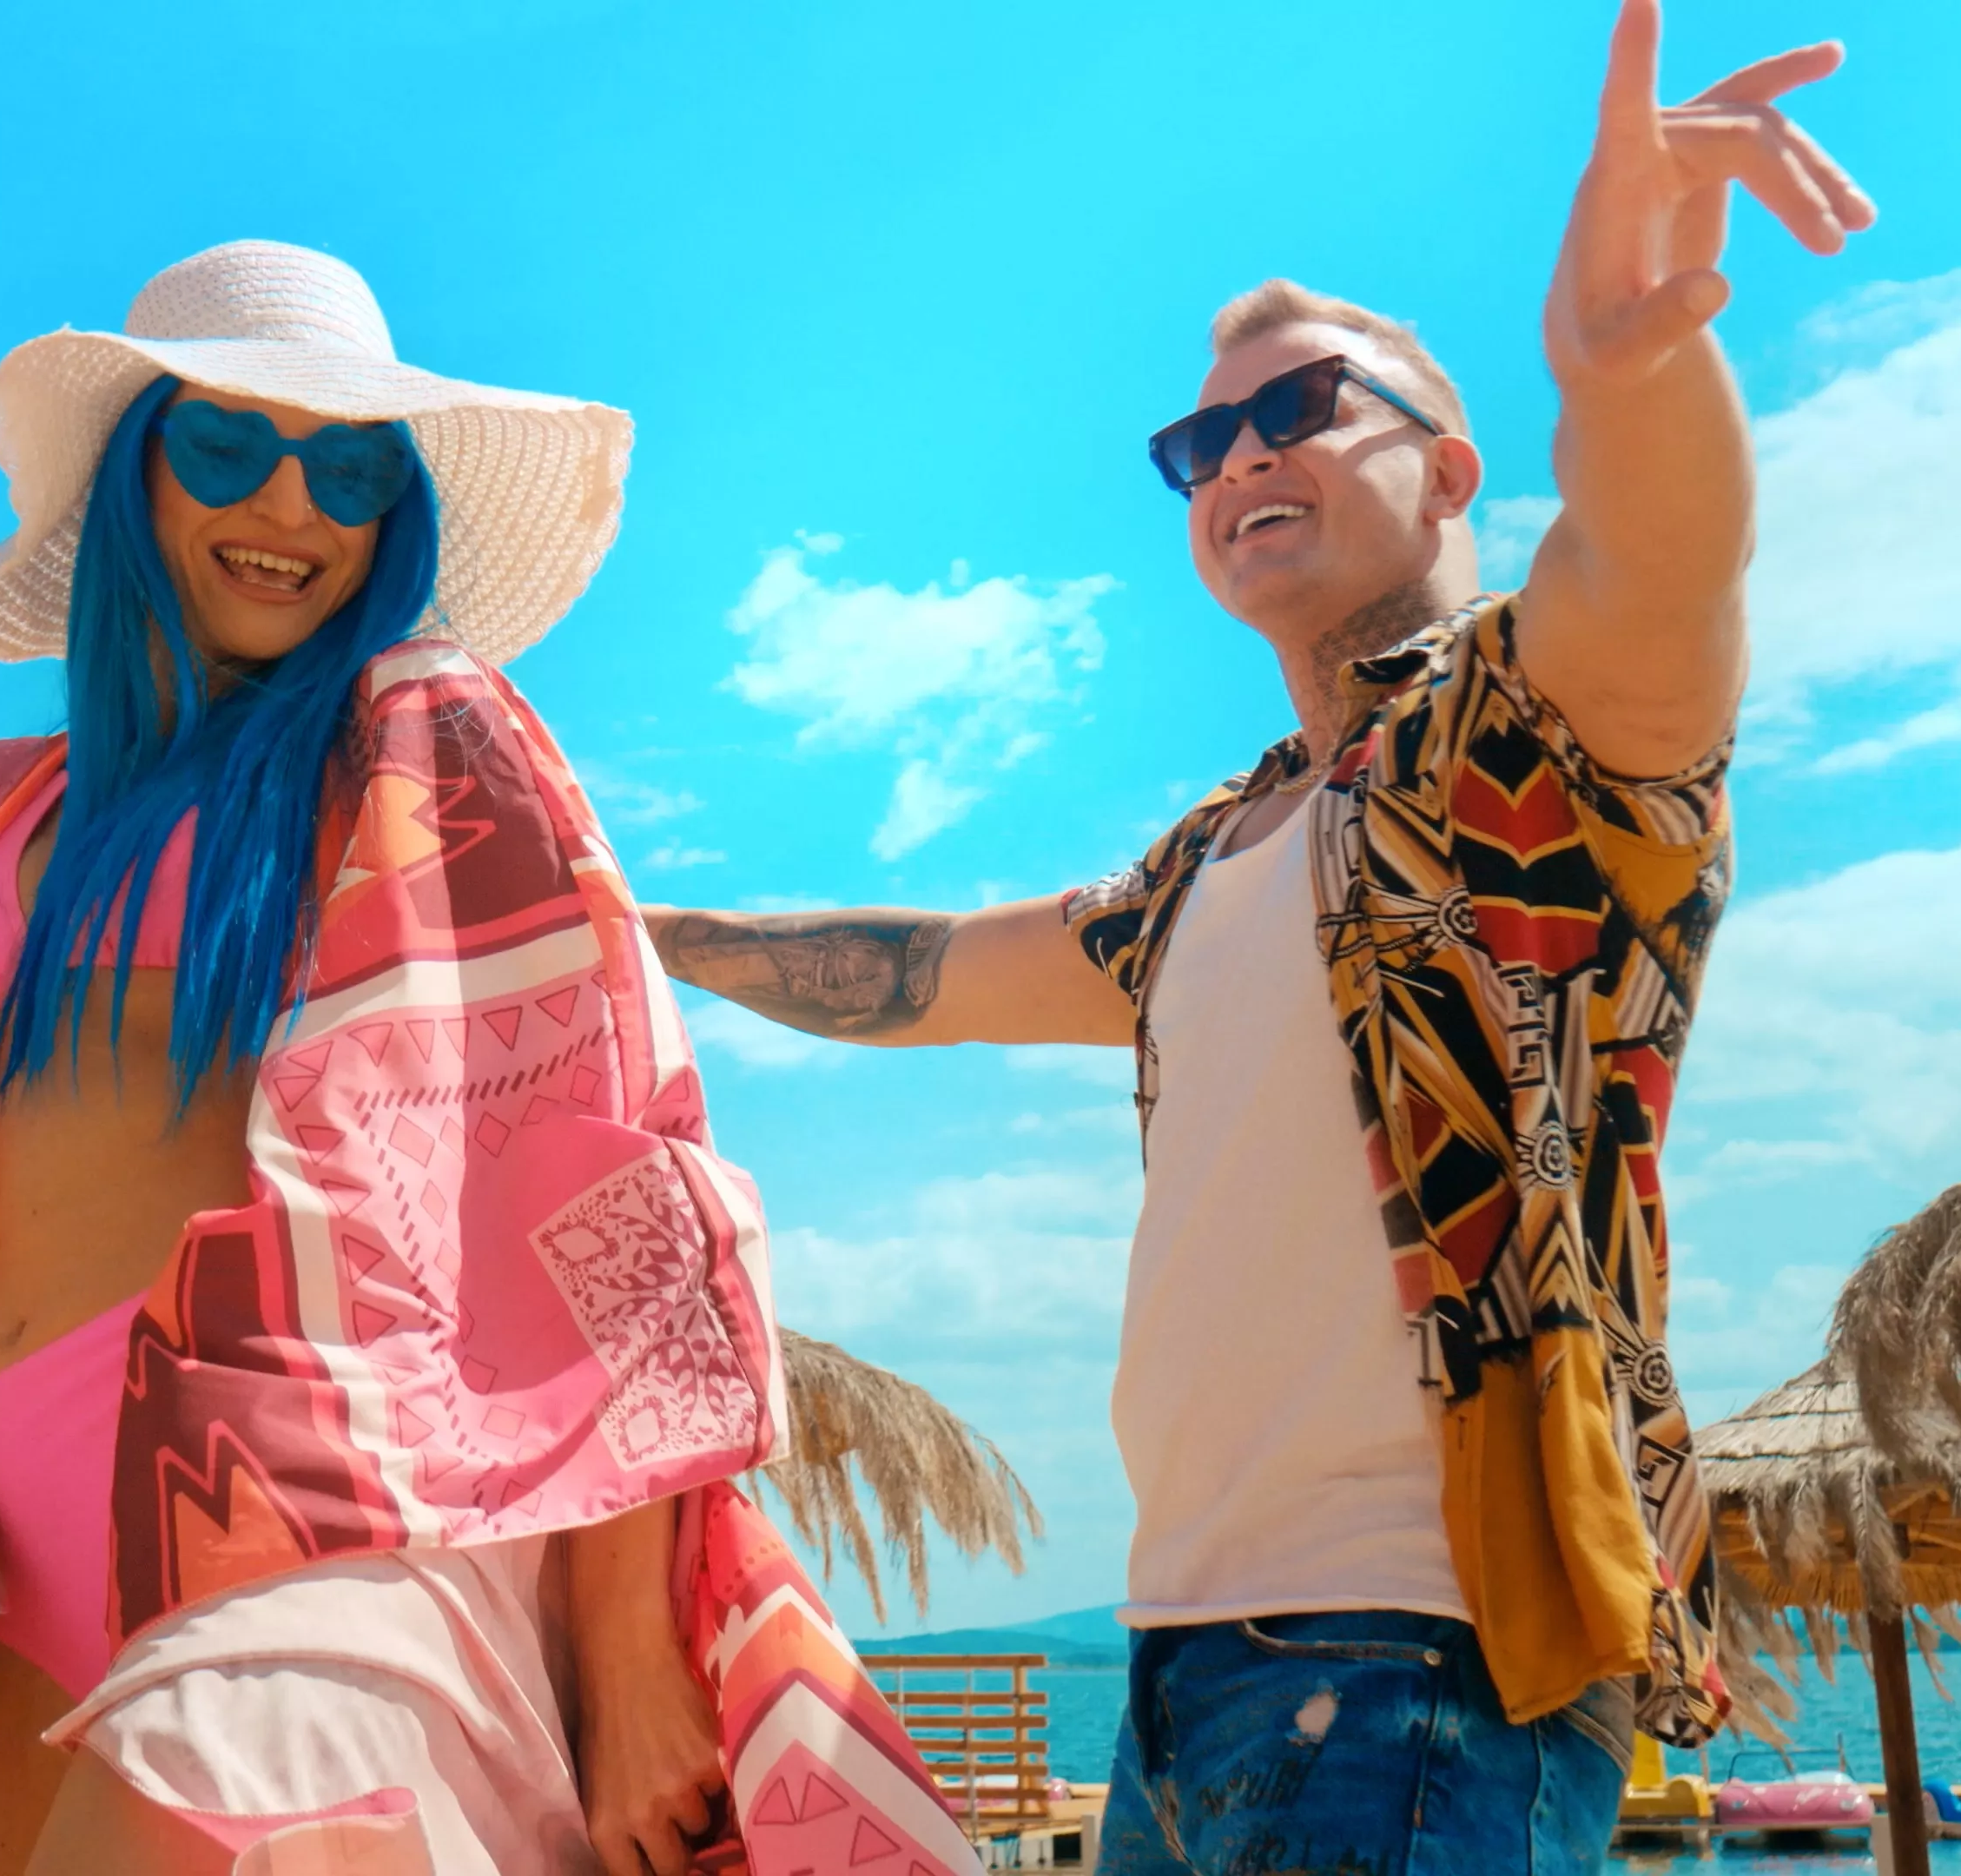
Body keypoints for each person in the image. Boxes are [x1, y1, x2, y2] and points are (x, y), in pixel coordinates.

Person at [647, 7, 1873, 1867]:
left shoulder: (1536, 739)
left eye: (1299, 410)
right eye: (1200, 441)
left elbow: (1662, 563)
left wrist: (1624, 374)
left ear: (1449, 471)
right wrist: (621, 921)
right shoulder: (1210, 861)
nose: (1237, 458)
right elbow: (918, 976)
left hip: (1428, 1649)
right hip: (1180, 1665)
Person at [0, 241, 974, 1876]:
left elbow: (609, 1173)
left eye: (348, 470)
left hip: (312, 1540)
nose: (291, 508)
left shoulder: (424, 743)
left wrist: (630, 1651)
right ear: (134, 472)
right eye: (229, 446)